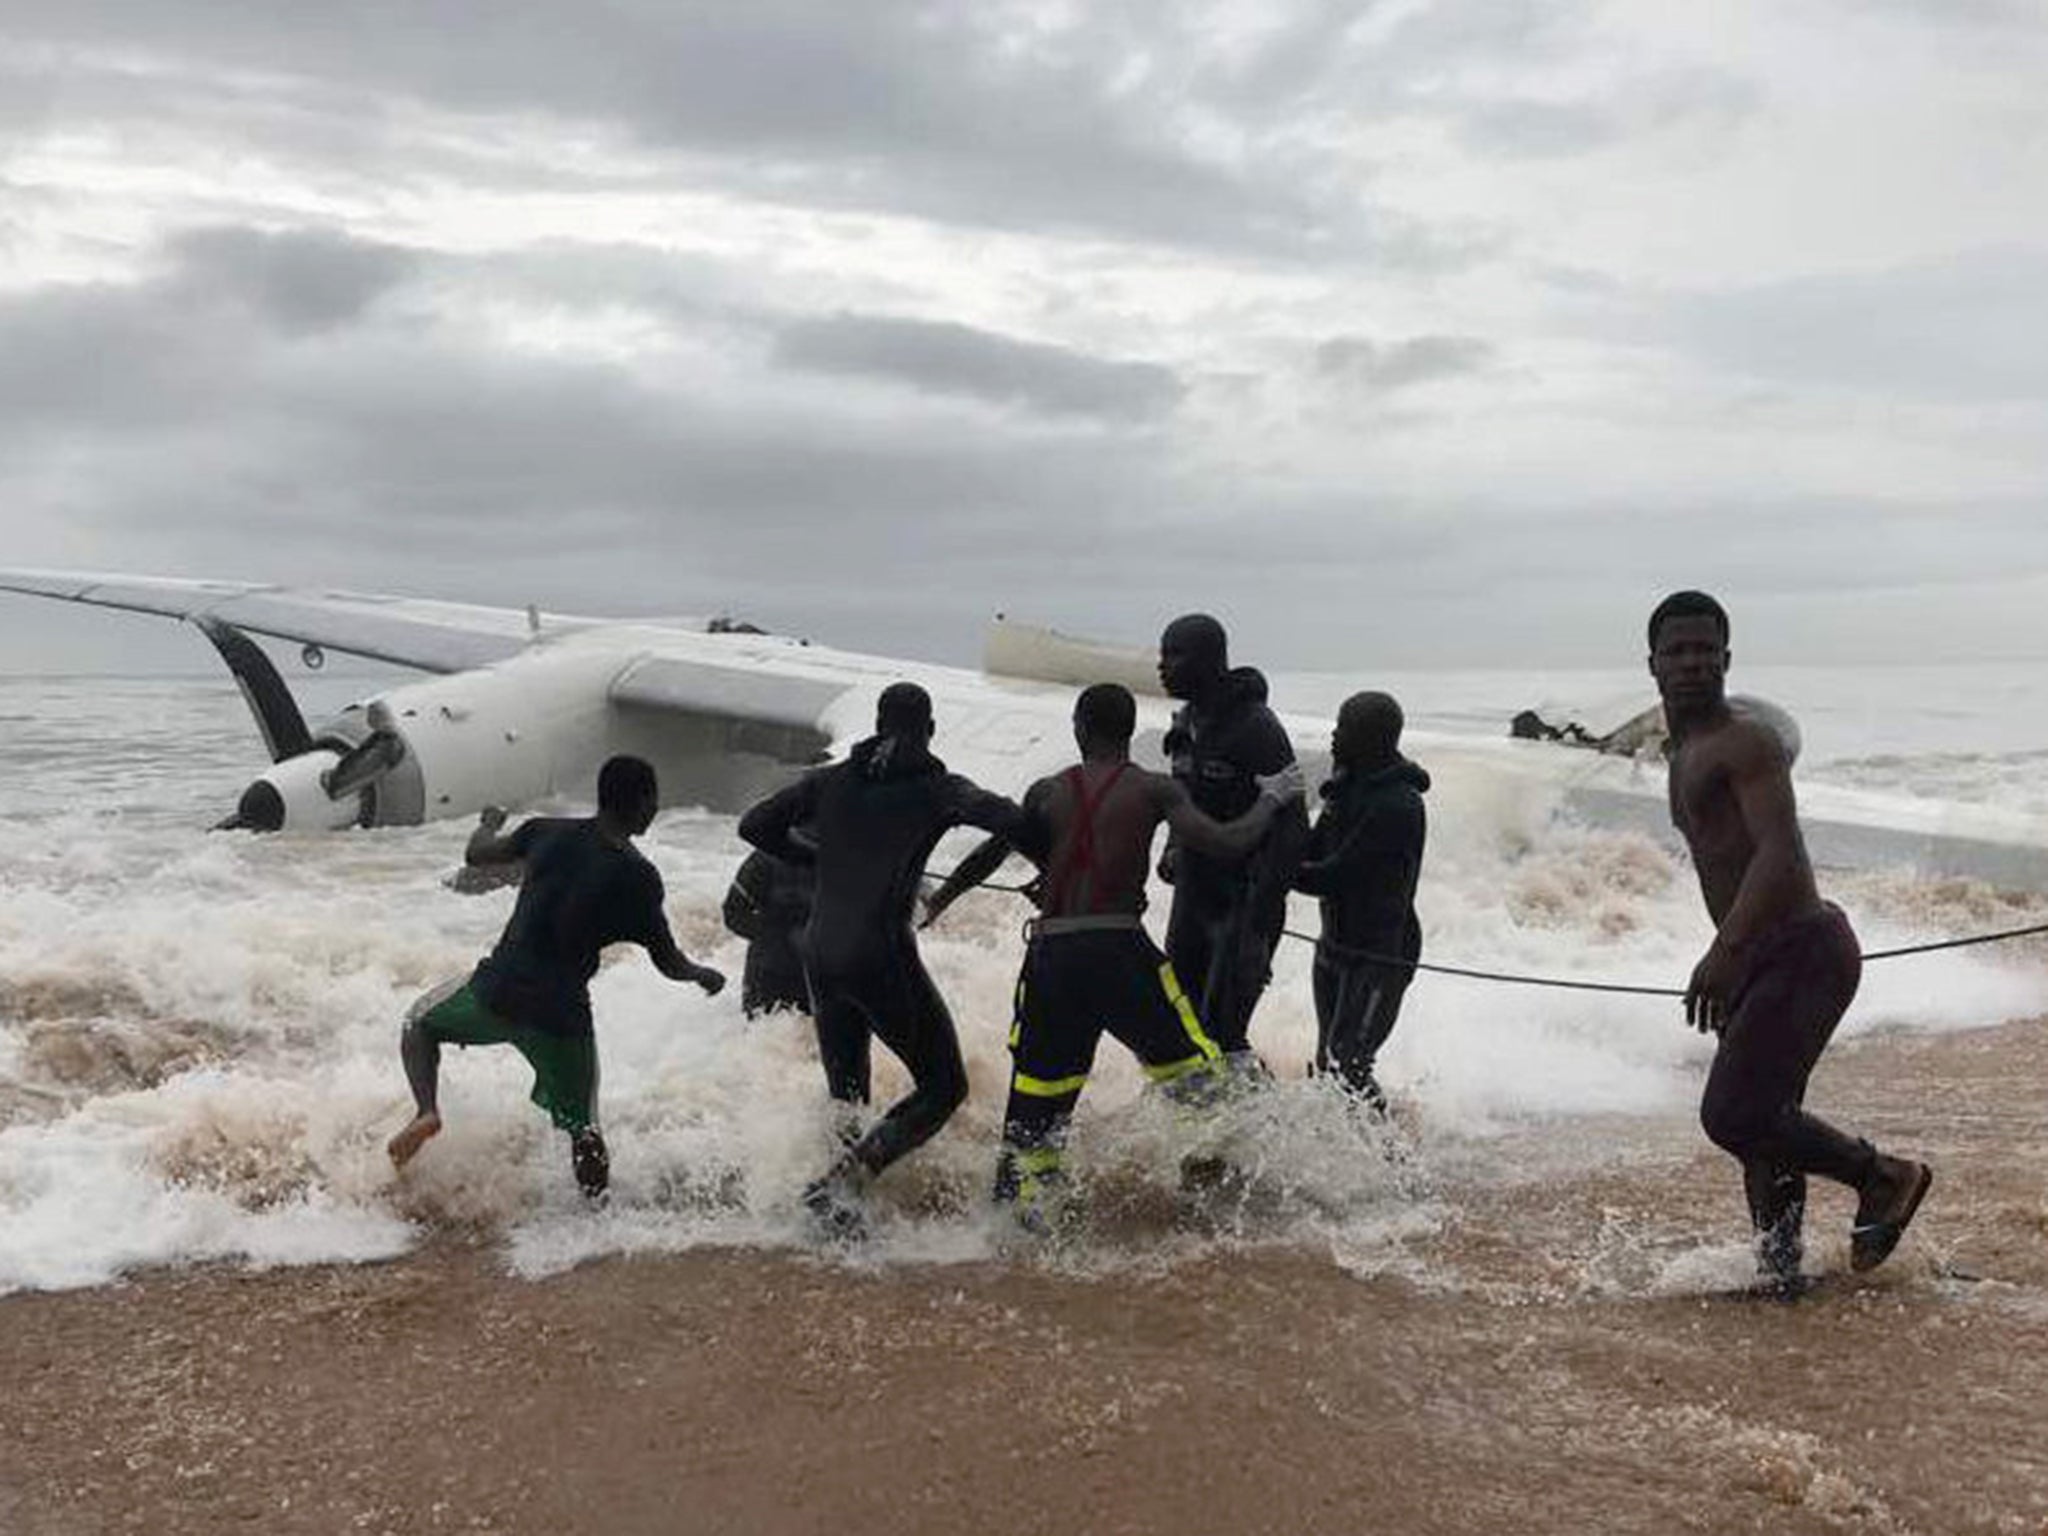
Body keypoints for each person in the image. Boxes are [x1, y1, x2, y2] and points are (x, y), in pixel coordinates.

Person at [923, 683, 1304, 1228]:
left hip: (1052, 955)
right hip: (1120, 953)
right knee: (1202, 1083)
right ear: (1128, 731)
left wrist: (940, 899)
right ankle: (1220, 1209)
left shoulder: (1046, 791)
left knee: (1036, 1100)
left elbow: (996, 848)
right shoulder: (1155, 790)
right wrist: (1272, 797)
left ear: (1079, 728)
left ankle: (1007, 1226)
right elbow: (1225, 842)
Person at [1649, 590, 1931, 1291]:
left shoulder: (1745, 741)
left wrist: (1728, 951)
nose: (1691, 663)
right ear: (1651, 663)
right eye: (1676, 651)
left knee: (1733, 1113)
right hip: (1759, 959)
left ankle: (1885, 1177)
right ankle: (1781, 1273)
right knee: (1765, 1128)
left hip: (1801, 949)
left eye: (1704, 650)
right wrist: (1737, 958)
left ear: (1727, 659)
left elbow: (1778, 850)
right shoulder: (1681, 751)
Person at [738, 682, 1029, 1237]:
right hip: (880, 954)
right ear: (931, 730)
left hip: (819, 955)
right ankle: (842, 1184)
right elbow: (1014, 823)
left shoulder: (828, 781)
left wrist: (819, 856)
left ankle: (838, 1221)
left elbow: (753, 825)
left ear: (876, 723)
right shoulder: (940, 790)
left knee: (847, 1095)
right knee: (944, 1088)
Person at [387, 755, 726, 1198]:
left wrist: (487, 822)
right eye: (654, 799)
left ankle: (427, 1111)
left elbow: (476, 853)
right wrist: (702, 974)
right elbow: (668, 962)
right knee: (584, 1129)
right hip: (559, 1015)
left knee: (419, 1023)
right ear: (641, 801)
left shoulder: (544, 833)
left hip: (496, 991)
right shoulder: (639, 877)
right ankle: (593, 1218)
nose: (655, 809)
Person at [1155, 613, 1309, 1065]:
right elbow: (1180, 797)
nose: (1162, 665)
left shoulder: (1256, 727)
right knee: (1181, 1026)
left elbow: (1294, 824)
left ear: (1210, 660)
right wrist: (1172, 848)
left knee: (1224, 1035)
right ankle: (1193, 1125)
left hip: (1243, 904)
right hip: (1192, 897)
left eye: (1175, 654)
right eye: (1162, 653)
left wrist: (1261, 914)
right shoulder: (1185, 723)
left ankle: (1257, 1123)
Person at [1292, 691, 1429, 1113]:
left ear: (1372, 737)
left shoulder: (1398, 805)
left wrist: (1272, 871)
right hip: (1334, 946)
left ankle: (1393, 1166)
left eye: (1343, 727)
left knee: (1349, 1062)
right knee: (1327, 1061)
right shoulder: (1344, 788)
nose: (1334, 735)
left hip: (1380, 957)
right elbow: (1312, 849)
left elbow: (1336, 876)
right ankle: (1340, 1157)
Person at [720, 846, 814, 1018]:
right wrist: (778, 938)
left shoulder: (843, 859)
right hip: (769, 975)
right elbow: (732, 913)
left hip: (818, 977)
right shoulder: (765, 858)